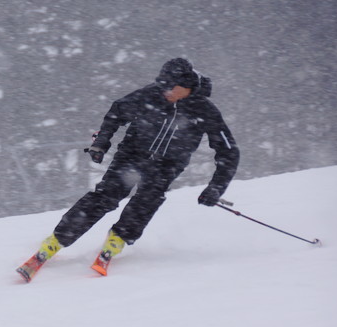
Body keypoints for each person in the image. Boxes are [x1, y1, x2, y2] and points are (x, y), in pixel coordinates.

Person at [17, 57, 240, 282]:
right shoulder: (149, 95)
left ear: (186, 86)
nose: (165, 92)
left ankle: (117, 240)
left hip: (166, 165)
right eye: (162, 86)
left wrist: (216, 188)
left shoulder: (205, 111)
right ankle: (55, 241)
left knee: (147, 201)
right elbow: (117, 112)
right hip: (131, 156)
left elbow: (229, 152)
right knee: (104, 197)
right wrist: (101, 142)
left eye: (170, 87)